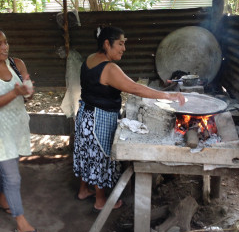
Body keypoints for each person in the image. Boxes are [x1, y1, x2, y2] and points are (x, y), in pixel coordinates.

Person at [73, 26, 185, 212]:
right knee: (100, 157)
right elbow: (135, 88)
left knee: (87, 152)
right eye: (120, 44)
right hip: (99, 118)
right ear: (107, 43)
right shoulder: (109, 68)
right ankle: (100, 201)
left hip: (85, 115)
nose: (124, 48)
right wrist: (167, 96)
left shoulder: (91, 59)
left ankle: (83, 190)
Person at [0, 26, 42, 232]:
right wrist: (15, 92)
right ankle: (21, 222)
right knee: (13, 176)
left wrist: (28, 91)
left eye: (6, 42)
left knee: (12, 164)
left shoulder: (17, 63)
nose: (5, 47)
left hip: (16, 124)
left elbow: (28, 93)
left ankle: (3, 199)